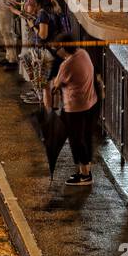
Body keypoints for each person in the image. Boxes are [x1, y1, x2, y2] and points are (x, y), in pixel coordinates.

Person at [49, 41, 99, 187]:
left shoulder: (67, 65)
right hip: (90, 102)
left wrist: (53, 82)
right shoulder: (83, 53)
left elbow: (56, 85)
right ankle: (85, 170)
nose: (56, 53)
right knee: (84, 137)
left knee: (77, 140)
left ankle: (85, 175)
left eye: (57, 49)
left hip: (75, 107)